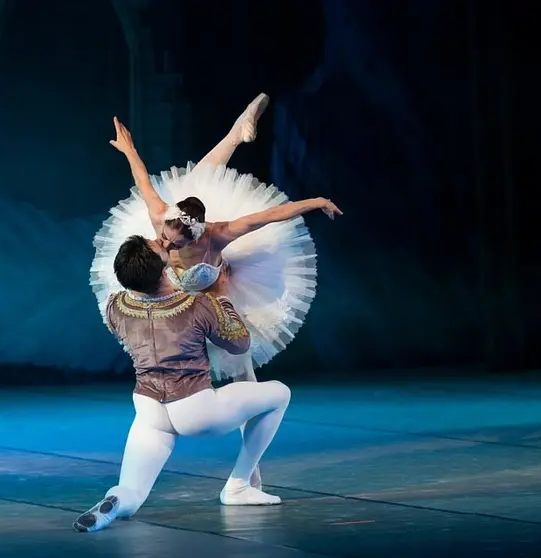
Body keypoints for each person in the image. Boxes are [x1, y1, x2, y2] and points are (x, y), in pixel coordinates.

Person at [91, 94, 342, 387]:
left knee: (241, 368)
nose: (166, 248)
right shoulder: (160, 216)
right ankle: (237, 131)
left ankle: (249, 413)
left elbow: (270, 215)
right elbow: (142, 180)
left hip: (214, 299)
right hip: (176, 304)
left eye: (175, 244)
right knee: (200, 177)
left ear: (195, 237)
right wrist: (129, 149)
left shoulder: (217, 236)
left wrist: (316, 200)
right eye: (164, 240)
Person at [74, 235, 292, 533]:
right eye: (157, 246)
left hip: (149, 410)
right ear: (162, 266)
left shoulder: (115, 306)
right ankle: (239, 485)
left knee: (132, 492)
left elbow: (149, 297)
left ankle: (114, 502)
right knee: (280, 393)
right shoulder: (196, 305)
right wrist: (222, 296)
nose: (158, 240)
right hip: (196, 409)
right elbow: (240, 344)